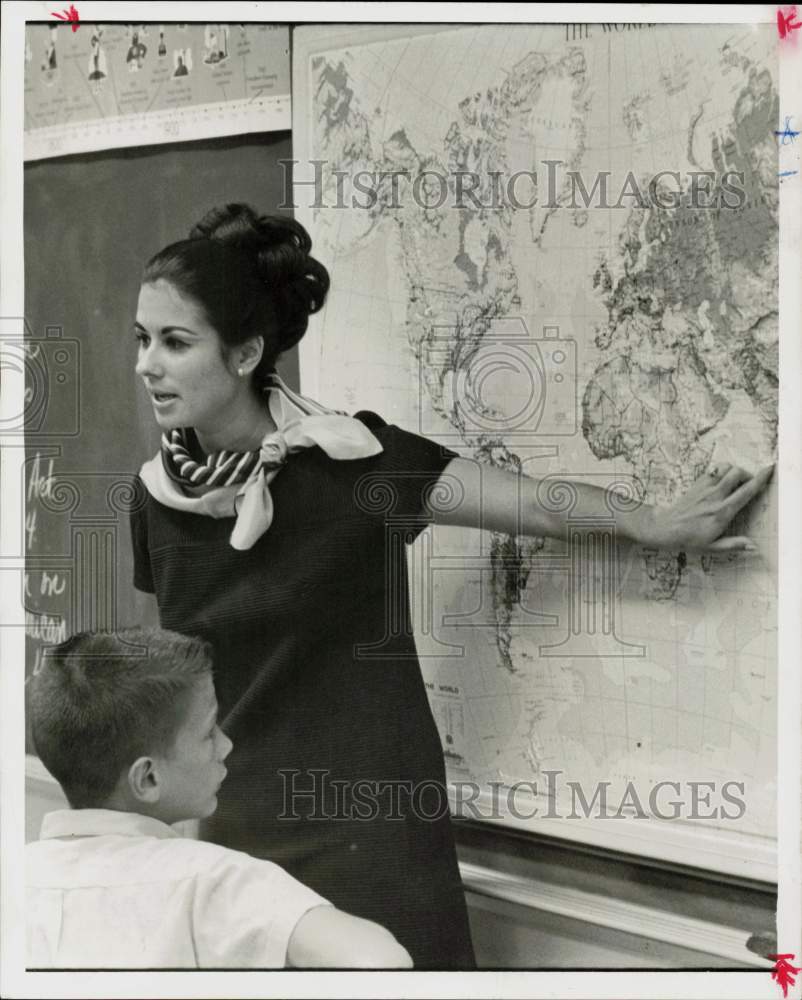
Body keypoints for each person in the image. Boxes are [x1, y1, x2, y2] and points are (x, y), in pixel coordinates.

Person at [129, 203, 773, 969]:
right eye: (142, 339)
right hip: (241, 837)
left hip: (375, 834)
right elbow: (164, 681)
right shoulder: (154, 498)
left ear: (244, 354)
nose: (146, 364)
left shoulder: (355, 463)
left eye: (174, 342)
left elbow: (533, 502)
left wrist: (656, 524)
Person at [26, 628, 412, 969]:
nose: (225, 746)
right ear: (147, 777)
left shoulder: (17, 875)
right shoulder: (214, 880)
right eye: (209, 732)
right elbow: (380, 960)